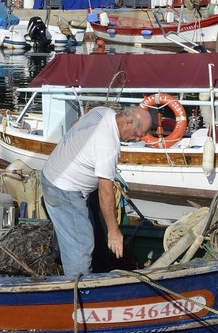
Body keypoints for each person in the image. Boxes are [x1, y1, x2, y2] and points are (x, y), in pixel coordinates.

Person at [41, 105, 153, 278]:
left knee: (89, 226)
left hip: (52, 173)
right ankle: (78, 290)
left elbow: (75, 123)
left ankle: (66, 253)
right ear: (128, 122)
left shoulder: (103, 111)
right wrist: (114, 232)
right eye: (139, 133)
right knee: (81, 243)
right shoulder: (109, 146)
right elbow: (105, 193)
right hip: (64, 189)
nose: (138, 138)